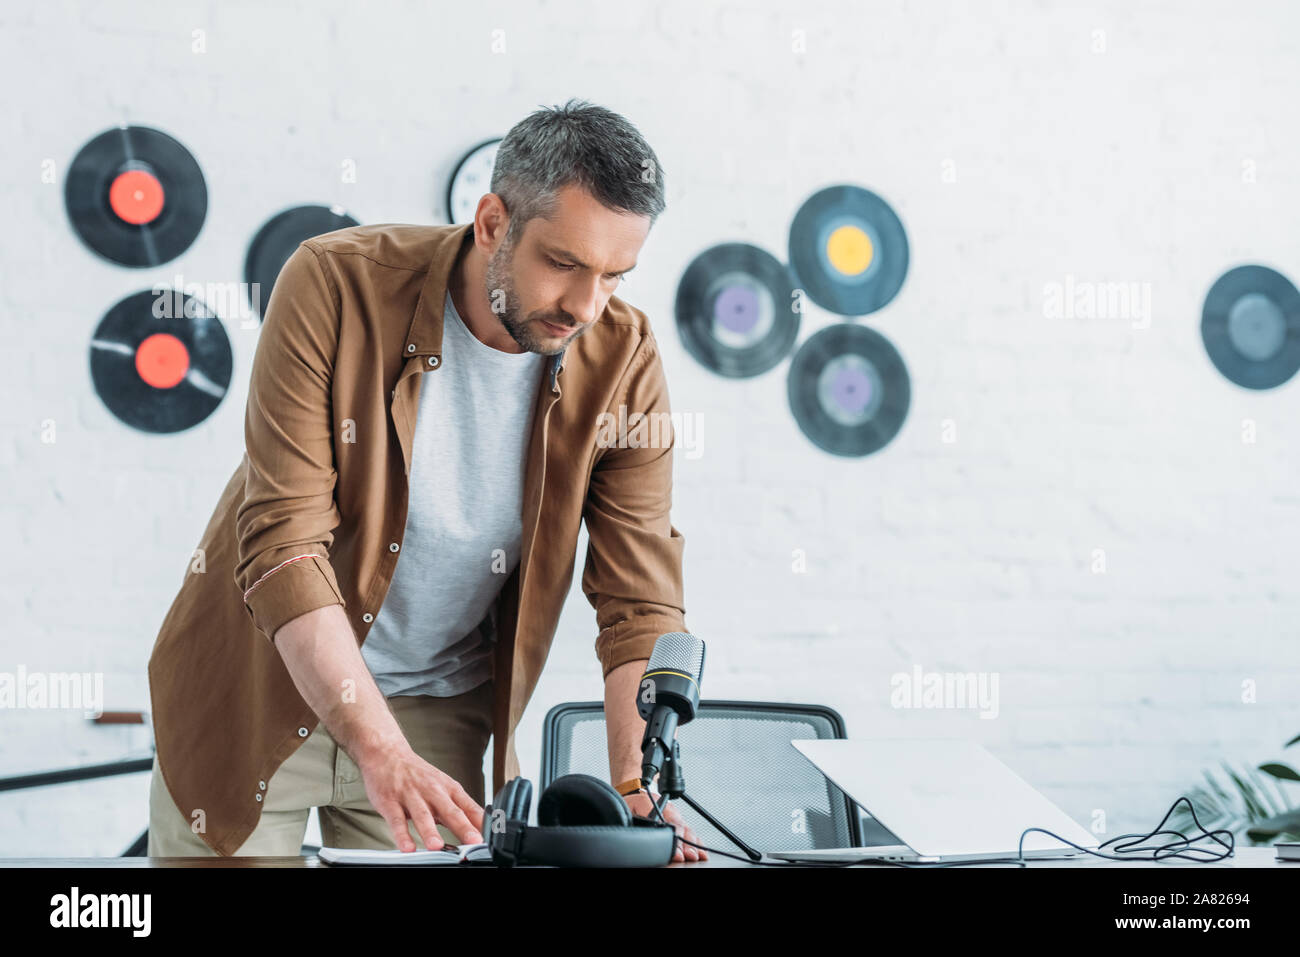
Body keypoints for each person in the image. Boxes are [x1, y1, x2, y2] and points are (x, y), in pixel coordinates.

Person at [146, 98, 706, 862]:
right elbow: (283, 545)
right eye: (564, 264)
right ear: (491, 223)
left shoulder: (626, 360)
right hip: (256, 688)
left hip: (438, 711)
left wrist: (638, 790)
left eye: (614, 275)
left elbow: (637, 601)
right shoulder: (334, 284)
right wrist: (378, 749)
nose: (585, 305)